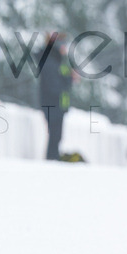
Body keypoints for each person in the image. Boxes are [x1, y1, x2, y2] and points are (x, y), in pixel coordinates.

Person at [38, 33, 73, 161]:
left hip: (58, 105)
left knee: (56, 135)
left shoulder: (57, 61)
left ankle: (53, 158)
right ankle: (51, 159)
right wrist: (69, 79)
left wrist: (69, 78)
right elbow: (54, 85)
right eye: (63, 45)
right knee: (54, 135)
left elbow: (61, 81)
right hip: (52, 103)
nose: (65, 49)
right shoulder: (50, 61)